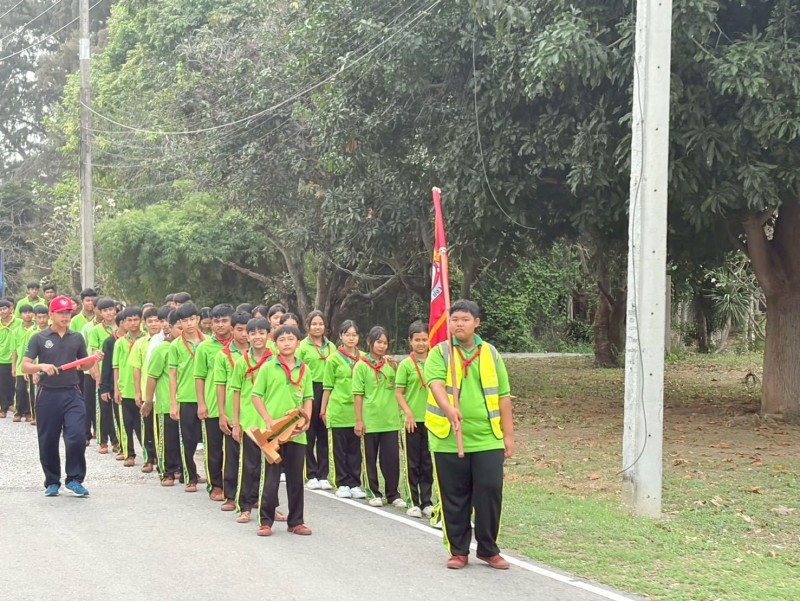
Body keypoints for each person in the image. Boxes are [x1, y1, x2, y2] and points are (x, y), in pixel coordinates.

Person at [424, 299, 514, 570]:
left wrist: (508, 436)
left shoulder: (491, 353)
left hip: (487, 437)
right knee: (454, 496)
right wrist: (448, 409)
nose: (458, 324)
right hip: (448, 437)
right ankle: (458, 550)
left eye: (464, 319)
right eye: (454, 319)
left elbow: (503, 396)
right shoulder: (440, 353)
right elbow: (435, 384)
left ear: (477, 323)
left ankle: (488, 549)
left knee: (490, 491)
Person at [22, 295, 102, 497]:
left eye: (68, 313)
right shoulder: (39, 338)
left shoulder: (77, 338)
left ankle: (74, 480)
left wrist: (93, 359)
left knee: (76, 437)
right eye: (61, 313)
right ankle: (52, 481)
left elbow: (83, 364)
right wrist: (41, 366)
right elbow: (25, 365)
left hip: (72, 393)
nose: (66, 317)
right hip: (48, 395)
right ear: (52, 314)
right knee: (48, 440)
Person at [252, 324, 313, 537]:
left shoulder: (305, 369)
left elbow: (308, 398)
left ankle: (296, 521)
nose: (286, 343)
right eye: (282, 340)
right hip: (273, 434)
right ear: (275, 343)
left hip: (296, 432)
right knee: (271, 479)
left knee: (296, 478)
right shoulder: (268, 367)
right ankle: (265, 521)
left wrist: (306, 421)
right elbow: (256, 396)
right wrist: (268, 420)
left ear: (298, 343)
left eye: (290, 339)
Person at [353, 326, 403, 509]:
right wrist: (359, 420)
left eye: (385, 343)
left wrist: (396, 368)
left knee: (391, 460)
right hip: (370, 420)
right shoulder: (361, 365)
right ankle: (373, 492)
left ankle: (393, 493)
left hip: (390, 420)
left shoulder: (391, 365)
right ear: (369, 342)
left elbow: (399, 387)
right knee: (369, 458)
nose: (382, 346)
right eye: (378, 342)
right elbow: (358, 395)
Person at [230, 317, 272, 523]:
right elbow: (236, 392)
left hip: (271, 422)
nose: (257, 337)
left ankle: (270, 507)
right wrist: (236, 423)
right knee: (249, 466)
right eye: (253, 333)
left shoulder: (275, 361)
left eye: (261, 333)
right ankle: (244, 507)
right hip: (249, 422)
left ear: (268, 336)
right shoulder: (242, 362)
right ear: (247, 336)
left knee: (270, 469)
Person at [321, 320, 367, 499]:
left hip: (357, 411)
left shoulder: (364, 358)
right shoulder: (333, 359)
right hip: (338, 408)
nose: (351, 338)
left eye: (354, 335)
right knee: (339, 450)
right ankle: (341, 483)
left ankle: (354, 483)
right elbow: (327, 387)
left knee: (355, 450)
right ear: (341, 336)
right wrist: (323, 410)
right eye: (347, 334)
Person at [195, 304, 235, 501]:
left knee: (234, 450)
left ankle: (234, 486)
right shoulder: (204, 347)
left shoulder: (240, 345)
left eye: (224, 321)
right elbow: (199, 377)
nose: (220, 325)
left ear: (232, 323)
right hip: (212, 405)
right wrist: (201, 404)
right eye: (216, 321)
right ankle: (216, 485)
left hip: (236, 407)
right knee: (214, 448)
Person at [394, 321, 434, 519]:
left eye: (424, 339)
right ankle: (413, 501)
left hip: (431, 420)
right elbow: (399, 393)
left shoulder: (434, 362)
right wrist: (408, 413)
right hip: (411, 421)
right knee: (412, 462)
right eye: (417, 340)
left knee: (428, 463)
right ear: (410, 341)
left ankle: (427, 501)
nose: (421, 343)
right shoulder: (406, 365)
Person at [213, 310, 251, 511]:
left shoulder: (263, 354)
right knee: (232, 455)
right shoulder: (223, 355)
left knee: (256, 458)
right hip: (232, 411)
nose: (244, 334)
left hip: (254, 412)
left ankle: (255, 497)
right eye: (240, 330)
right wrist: (222, 413)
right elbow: (220, 385)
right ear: (232, 330)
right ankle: (231, 496)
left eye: (247, 330)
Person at [296, 310, 335, 491]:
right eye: (314, 324)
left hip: (328, 391)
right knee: (309, 433)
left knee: (323, 434)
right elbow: (297, 370)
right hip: (309, 390)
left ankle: (323, 474)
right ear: (308, 326)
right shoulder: (302, 346)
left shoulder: (331, 347)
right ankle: (310, 473)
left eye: (321, 324)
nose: (318, 327)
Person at [169, 301, 205, 492]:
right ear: (180, 323)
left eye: (192, 319)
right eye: (185, 320)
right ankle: (189, 476)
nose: (189, 324)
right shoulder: (175, 345)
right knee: (188, 441)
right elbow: (172, 375)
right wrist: (173, 403)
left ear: (198, 319)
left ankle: (215, 479)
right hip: (186, 398)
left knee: (210, 441)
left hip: (208, 398)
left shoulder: (209, 342)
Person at [144, 309, 182, 486]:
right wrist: (148, 401)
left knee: (183, 439)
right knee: (167, 440)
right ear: (170, 327)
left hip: (186, 401)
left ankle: (184, 470)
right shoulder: (161, 349)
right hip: (166, 402)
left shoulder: (192, 348)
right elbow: (152, 377)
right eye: (179, 328)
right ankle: (167, 472)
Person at [129, 306, 162, 472]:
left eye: (157, 321)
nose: (154, 324)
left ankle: (164, 460)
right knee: (147, 426)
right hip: (147, 391)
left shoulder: (166, 341)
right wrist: (138, 392)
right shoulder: (140, 343)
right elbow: (137, 368)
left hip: (163, 393)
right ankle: (149, 459)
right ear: (145, 324)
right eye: (150, 321)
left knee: (163, 428)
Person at [114, 307, 145, 467]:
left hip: (143, 389)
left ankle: (149, 455)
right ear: (124, 322)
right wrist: (116, 389)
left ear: (141, 321)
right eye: (129, 320)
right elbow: (116, 367)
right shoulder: (120, 342)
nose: (133, 323)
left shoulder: (146, 340)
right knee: (126, 424)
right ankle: (129, 454)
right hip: (125, 388)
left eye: (136, 320)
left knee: (143, 426)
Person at [91, 299, 120, 454]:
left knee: (117, 409)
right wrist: (97, 376)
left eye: (111, 309)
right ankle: (103, 441)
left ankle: (117, 441)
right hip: (104, 372)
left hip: (119, 372)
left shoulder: (122, 326)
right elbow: (94, 354)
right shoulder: (96, 330)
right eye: (105, 310)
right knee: (104, 409)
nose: (109, 313)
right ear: (100, 313)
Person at [11, 304, 37, 422]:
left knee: (31, 390)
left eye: (30, 312)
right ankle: (18, 412)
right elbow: (14, 351)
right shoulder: (16, 331)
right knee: (20, 390)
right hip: (20, 364)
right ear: (20, 315)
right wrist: (13, 366)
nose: (28, 315)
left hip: (33, 365)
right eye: (24, 312)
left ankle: (29, 413)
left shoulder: (36, 329)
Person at [0, 299, 21, 418]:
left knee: (14, 384)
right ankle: (3, 408)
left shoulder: (18, 322)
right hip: (1, 358)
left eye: (4, 309)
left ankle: (11, 404)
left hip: (15, 358)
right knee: (2, 385)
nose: (2, 312)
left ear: (11, 309)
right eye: (0, 310)